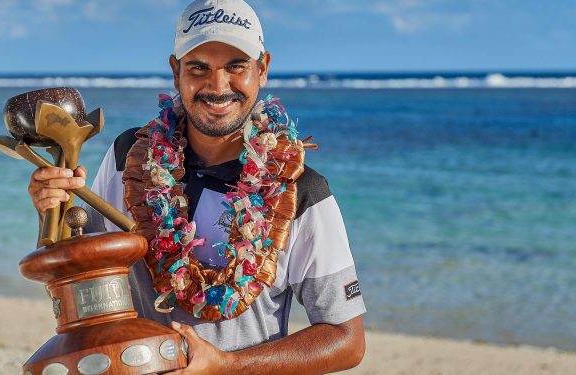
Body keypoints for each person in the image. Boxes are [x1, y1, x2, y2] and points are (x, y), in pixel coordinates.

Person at [27, 1, 366, 373]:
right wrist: (53, 210)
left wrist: (226, 365)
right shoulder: (130, 159)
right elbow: (80, 268)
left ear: (262, 68)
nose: (218, 86)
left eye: (236, 66)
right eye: (198, 67)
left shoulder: (300, 190)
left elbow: (346, 339)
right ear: (176, 72)